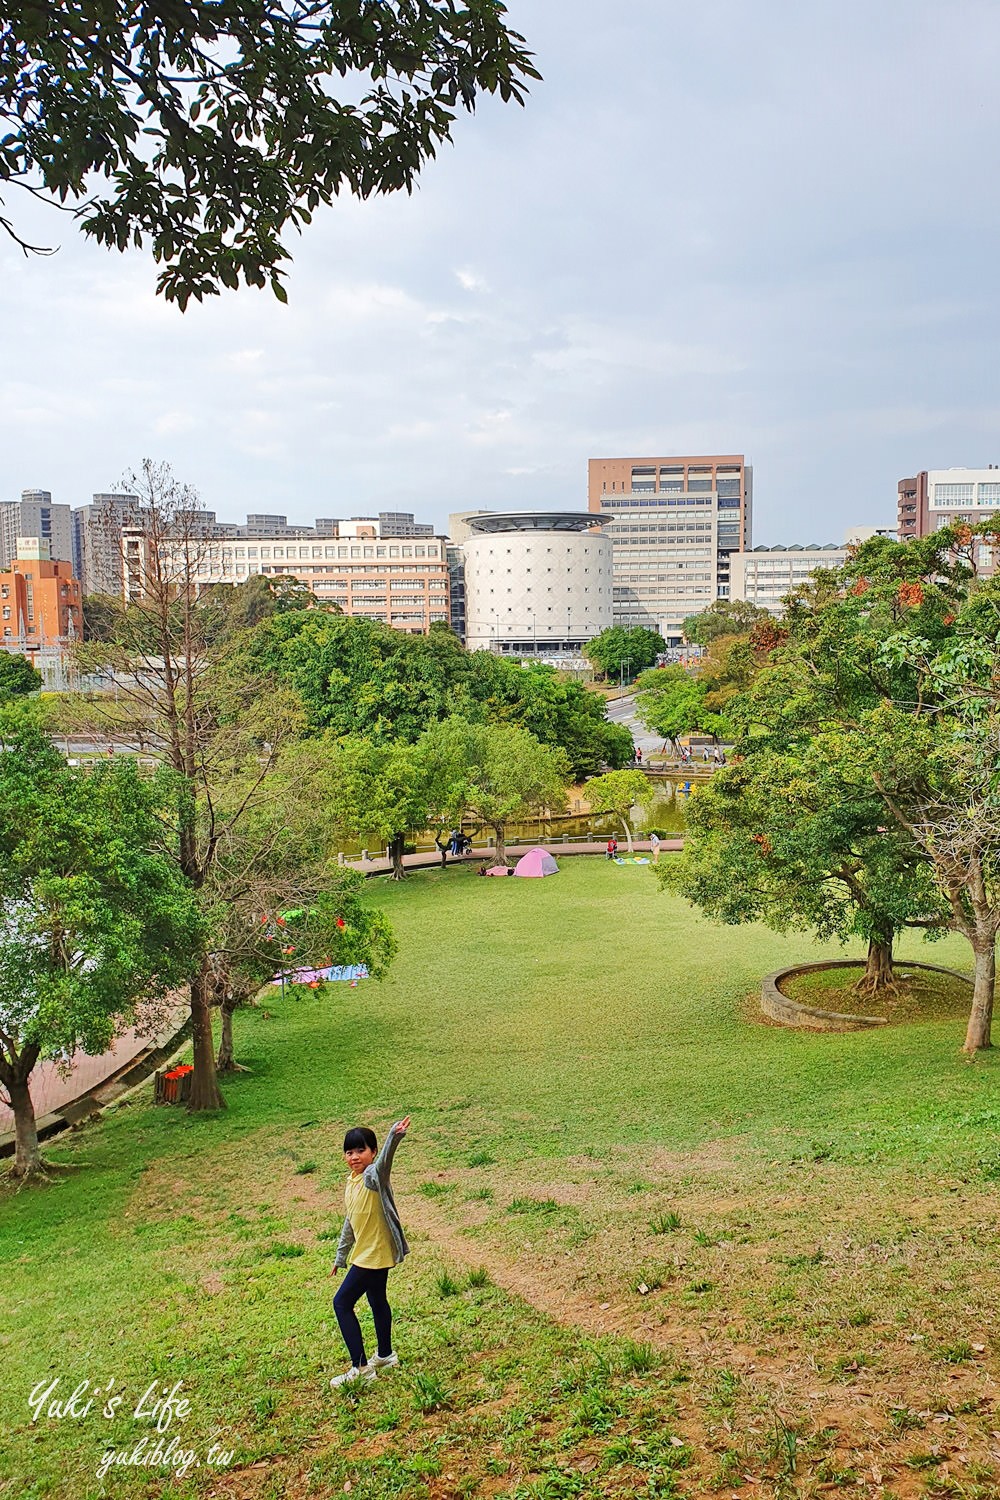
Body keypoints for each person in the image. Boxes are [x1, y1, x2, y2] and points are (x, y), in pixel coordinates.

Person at [330, 1116, 411, 1388]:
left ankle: (361, 1368)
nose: (354, 1157)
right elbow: (349, 1221)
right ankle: (385, 1355)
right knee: (377, 1300)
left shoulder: (373, 1176)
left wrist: (393, 1136)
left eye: (361, 1150)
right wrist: (340, 1258)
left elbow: (386, 1160)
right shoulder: (351, 1181)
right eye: (349, 1152)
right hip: (368, 1251)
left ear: (373, 1152)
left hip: (374, 1253)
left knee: (341, 1303)